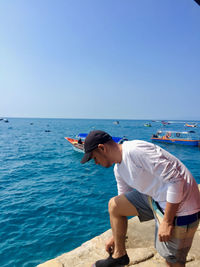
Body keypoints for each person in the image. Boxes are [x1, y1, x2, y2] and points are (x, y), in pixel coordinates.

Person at [81, 130, 200, 267]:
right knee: (115, 205)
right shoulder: (118, 169)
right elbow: (122, 200)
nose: (95, 162)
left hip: (183, 206)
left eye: (94, 157)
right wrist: (116, 236)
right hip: (156, 198)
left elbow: (176, 181)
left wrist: (167, 222)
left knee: (172, 260)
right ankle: (119, 256)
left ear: (102, 148)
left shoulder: (135, 151)